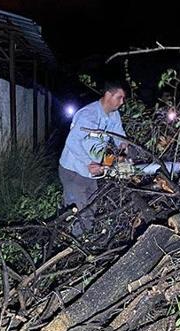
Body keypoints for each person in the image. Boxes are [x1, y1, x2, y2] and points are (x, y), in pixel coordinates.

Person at [59, 80, 128, 237]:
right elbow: (72, 142)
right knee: (79, 211)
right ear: (108, 95)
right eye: (119, 97)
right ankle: (72, 247)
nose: (122, 102)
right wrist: (89, 162)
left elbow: (119, 135)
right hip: (73, 169)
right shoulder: (88, 115)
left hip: (90, 171)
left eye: (123, 98)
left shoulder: (113, 115)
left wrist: (123, 151)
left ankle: (87, 240)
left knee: (92, 206)